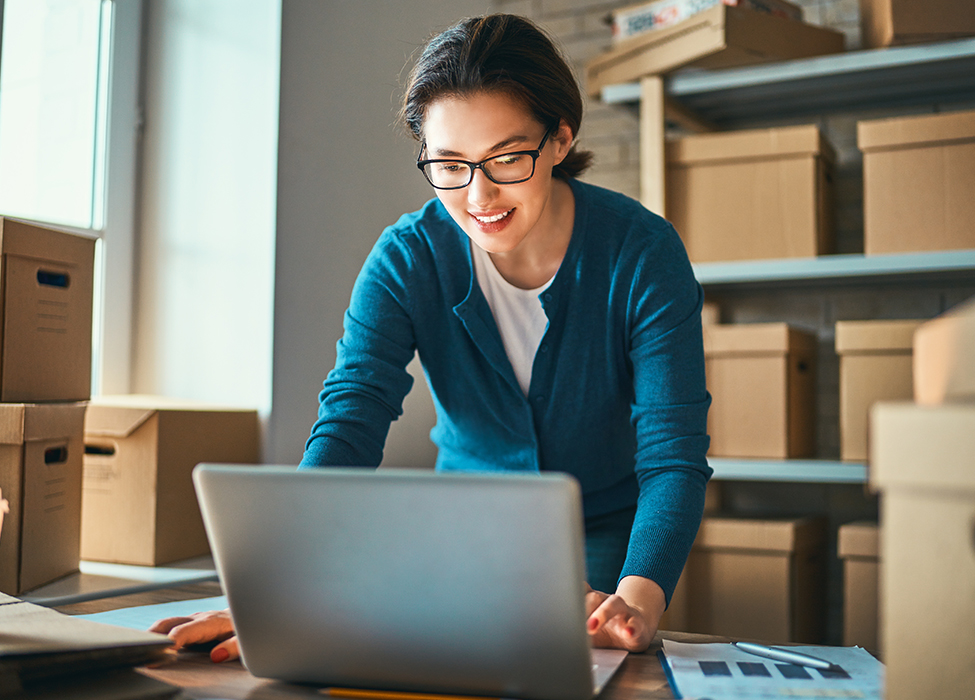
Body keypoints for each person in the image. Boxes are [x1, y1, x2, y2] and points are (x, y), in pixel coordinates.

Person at [151, 13, 710, 663]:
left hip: (607, 538)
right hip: (460, 540)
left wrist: (637, 596)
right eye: (449, 164)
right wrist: (281, 589)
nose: (478, 195)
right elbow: (351, 416)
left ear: (560, 138)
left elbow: (671, 455)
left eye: (506, 159)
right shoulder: (407, 259)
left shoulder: (641, 253)